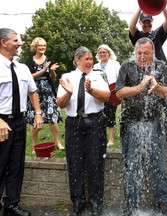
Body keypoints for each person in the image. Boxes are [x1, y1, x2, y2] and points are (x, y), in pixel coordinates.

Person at [116, 37, 167, 216]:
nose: (142, 56)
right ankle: (131, 204)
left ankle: (162, 201)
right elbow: (119, 93)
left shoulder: (162, 66)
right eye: (139, 53)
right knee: (131, 164)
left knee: (159, 164)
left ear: (153, 52)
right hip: (131, 123)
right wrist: (139, 87)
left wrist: (157, 87)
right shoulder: (126, 66)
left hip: (154, 124)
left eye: (146, 53)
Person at [56, 46, 110, 216]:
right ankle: (78, 201)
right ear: (76, 60)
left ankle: (96, 202)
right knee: (75, 164)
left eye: (91, 59)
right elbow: (61, 103)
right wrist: (68, 92)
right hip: (74, 124)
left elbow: (106, 96)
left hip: (95, 122)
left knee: (95, 163)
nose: (90, 62)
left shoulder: (98, 75)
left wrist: (91, 90)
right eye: (86, 59)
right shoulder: (67, 77)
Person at [0, 28, 43, 216]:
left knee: (16, 164)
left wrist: (39, 114)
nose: (20, 43)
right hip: (1, 121)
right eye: (16, 40)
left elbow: (32, 92)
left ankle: (12, 205)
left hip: (18, 121)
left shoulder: (22, 68)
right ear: (3, 43)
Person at [129, 2, 167, 154]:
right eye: (143, 22)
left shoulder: (157, 34)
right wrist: (141, 4)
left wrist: (161, 5)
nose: (146, 25)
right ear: (141, 23)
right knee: (140, 105)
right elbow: (131, 26)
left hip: (160, 73)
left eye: (148, 22)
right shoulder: (138, 37)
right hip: (142, 75)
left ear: (152, 22)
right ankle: (139, 139)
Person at [25, 37, 65, 151]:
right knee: (35, 120)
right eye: (40, 45)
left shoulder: (49, 60)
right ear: (35, 47)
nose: (43, 48)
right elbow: (29, 77)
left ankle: (58, 142)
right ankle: (34, 146)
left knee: (52, 118)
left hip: (48, 92)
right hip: (34, 93)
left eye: (44, 46)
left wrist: (51, 71)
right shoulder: (29, 62)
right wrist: (43, 70)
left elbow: (52, 78)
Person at [93, 44, 120, 146]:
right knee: (100, 115)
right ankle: (101, 137)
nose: (102, 54)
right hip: (99, 93)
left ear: (109, 53)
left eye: (105, 52)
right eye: (100, 52)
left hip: (112, 93)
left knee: (110, 115)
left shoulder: (115, 64)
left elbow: (120, 79)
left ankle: (111, 139)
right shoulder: (95, 66)